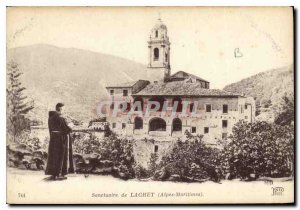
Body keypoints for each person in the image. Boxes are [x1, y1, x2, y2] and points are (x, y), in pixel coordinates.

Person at [45, 103, 75, 180]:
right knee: (60, 156)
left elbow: (50, 129)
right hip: (60, 139)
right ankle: (59, 173)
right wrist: (71, 126)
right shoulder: (60, 118)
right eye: (63, 109)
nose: (64, 111)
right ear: (60, 109)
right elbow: (66, 129)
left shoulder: (50, 117)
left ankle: (53, 173)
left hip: (53, 138)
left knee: (54, 156)